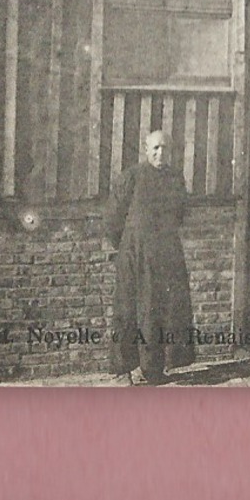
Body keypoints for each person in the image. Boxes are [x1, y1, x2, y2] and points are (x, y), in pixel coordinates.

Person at [105, 129, 194, 385]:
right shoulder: (132, 177)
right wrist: (128, 246)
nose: (160, 153)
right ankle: (124, 369)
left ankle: (153, 368)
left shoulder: (176, 179)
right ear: (146, 150)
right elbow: (112, 219)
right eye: (155, 148)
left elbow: (180, 215)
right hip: (135, 255)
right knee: (129, 310)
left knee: (160, 311)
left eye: (165, 148)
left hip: (166, 255)